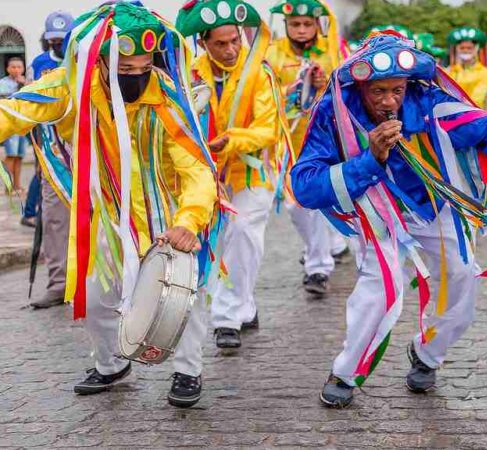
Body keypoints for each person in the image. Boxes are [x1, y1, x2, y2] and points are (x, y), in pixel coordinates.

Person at [291, 32, 487, 408]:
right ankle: (346, 372)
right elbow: (305, 186)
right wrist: (370, 158)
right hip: (379, 216)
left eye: (397, 90)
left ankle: (427, 353)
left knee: (462, 278)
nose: (390, 101)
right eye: (379, 92)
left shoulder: (426, 102)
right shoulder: (334, 114)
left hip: (435, 207)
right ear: (360, 85)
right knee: (381, 291)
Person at [0, 2, 220, 407]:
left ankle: (188, 371)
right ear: (100, 61)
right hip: (109, 214)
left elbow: (196, 169)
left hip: (169, 212)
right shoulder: (71, 88)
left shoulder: (169, 99)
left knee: (187, 290)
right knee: (96, 295)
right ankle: (110, 364)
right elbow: (14, 110)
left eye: (143, 68)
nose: (136, 77)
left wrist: (190, 219)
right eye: (125, 69)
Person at [176, 0, 291, 350]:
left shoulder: (261, 72)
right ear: (203, 43)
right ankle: (245, 304)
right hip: (208, 176)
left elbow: (268, 129)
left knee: (243, 234)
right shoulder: (190, 73)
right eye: (220, 44)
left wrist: (232, 141)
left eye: (234, 40)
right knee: (218, 243)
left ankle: (227, 319)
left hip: (251, 174)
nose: (230, 49)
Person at [266, 0, 349, 297]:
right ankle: (321, 252)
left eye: (307, 24)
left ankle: (318, 266)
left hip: (323, 141)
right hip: (287, 143)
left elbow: (347, 89)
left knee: (316, 202)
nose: (301, 31)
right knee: (296, 206)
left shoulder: (332, 51)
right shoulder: (272, 54)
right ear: (286, 26)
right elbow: (264, 95)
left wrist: (325, 83)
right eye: (295, 25)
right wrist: (289, 92)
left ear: (317, 25)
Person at [25, 11, 74, 309]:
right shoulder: (38, 66)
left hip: (85, 153)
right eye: (53, 41)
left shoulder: (83, 63)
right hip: (52, 158)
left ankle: (92, 282)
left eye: (62, 41)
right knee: (55, 221)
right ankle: (58, 283)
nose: (57, 46)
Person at [446, 27, 487, 111]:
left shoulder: (485, 72)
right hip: (452, 116)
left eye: (469, 48)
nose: (465, 51)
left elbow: (478, 99)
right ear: (457, 49)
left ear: (476, 49)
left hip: (475, 117)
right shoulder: (450, 71)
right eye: (462, 48)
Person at [0, 57, 28, 193]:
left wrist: (24, 84)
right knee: (11, 155)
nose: (16, 70)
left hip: (22, 124)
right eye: (13, 67)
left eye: (19, 67)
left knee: (20, 155)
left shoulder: (27, 82)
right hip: (10, 124)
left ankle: (17, 185)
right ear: (7, 69)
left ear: (23, 68)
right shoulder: (3, 83)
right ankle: (7, 185)